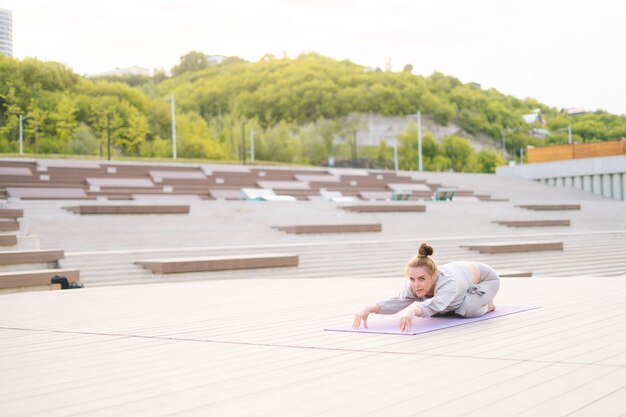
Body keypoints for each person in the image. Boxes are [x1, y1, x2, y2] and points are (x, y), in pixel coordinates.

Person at [353, 242, 500, 332]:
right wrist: (369, 308)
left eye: (422, 279)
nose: (416, 285)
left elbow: (436, 303)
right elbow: (398, 301)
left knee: (466, 310)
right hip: (460, 283)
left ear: (434, 276)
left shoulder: (448, 282)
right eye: (412, 279)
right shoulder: (414, 286)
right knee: (434, 311)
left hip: (486, 279)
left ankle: (488, 305)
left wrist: (412, 310)